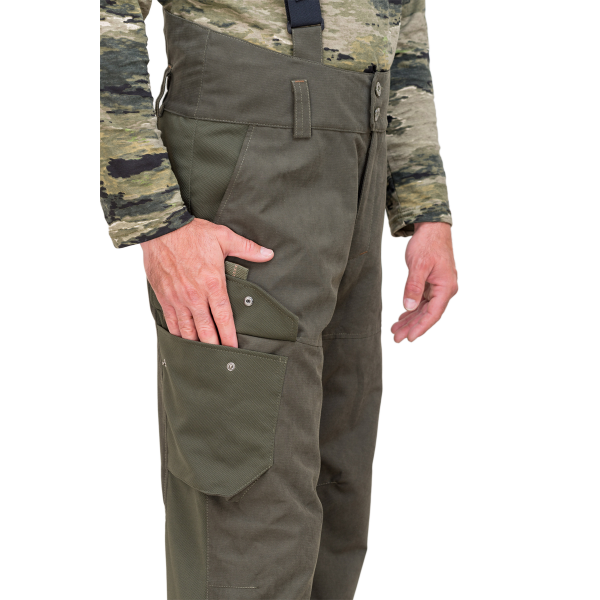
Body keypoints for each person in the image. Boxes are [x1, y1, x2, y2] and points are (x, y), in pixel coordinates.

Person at [100, 0, 458, 597]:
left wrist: (425, 204)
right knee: (251, 508)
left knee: (335, 492)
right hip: (245, 158)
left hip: (360, 161)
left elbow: (408, 21)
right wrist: (153, 217)